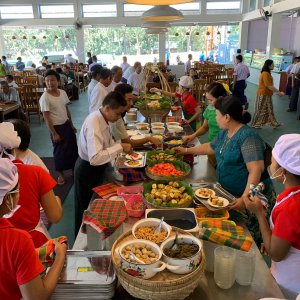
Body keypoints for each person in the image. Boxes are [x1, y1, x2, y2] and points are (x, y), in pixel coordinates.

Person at [174, 95, 276, 246]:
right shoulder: (226, 132)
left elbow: (256, 169)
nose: (215, 117)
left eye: (217, 114)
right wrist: (186, 150)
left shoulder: (248, 136)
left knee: (249, 239)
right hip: (230, 194)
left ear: (227, 117)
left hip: (250, 198)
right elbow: (210, 147)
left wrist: (244, 197)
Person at [0, 158, 66, 300]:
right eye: (17, 190)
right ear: (7, 199)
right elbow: (37, 297)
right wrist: (59, 257)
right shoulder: (18, 241)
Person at [244, 134, 300, 299]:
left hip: (290, 283)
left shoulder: (291, 207)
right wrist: (271, 238)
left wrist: (260, 214)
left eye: (274, 162)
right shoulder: (292, 196)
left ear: (282, 172)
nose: (270, 164)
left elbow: (276, 253)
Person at [74, 91, 132, 233]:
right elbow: (95, 158)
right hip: (87, 169)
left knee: (96, 205)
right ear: (107, 108)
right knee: (85, 209)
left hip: (97, 168)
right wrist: (120, 147)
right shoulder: (95, 124)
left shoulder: (104, 119)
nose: (119, 117)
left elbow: (108, 144)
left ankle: (95, 232)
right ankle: (81, 243)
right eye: (118, 114)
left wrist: (119, 149)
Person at [0, 122, 63, 247]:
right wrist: (57, 201)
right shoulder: (35, 173)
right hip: (33, 244)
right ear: (14, 147)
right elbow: (55, 216)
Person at [39, 70, 78, 185]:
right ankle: (60, 175)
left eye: (52, 80)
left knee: (72, 149)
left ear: (58, 81)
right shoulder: (45, 97)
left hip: (66, 125)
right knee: (59, 152)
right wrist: (54, 133)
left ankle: (73, 170)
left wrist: (71, 125)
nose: (50, 83)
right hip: (56, 128)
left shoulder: (62, 93)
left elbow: (66, 110)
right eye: (47, 81)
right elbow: (46, 117)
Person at [183, 82, 228, 166]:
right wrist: (193, 135)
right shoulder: (210, 109)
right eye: (208, 100)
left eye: (211, 100)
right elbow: (204, 127)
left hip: (225, 148)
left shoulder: (227, 111)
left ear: (220, 98)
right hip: (210, 145)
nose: (209, 103)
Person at [251, 59, 284, 129]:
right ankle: (254, 124)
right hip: (263, 94)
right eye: (272, 64)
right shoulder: (265, 73)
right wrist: (278, 92)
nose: (273, 65)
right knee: (259, 109)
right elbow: (269, 86)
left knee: (269, 109)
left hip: (266, 94)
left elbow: (269, 86)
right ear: (269, 65)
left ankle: (273, 123)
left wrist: (277, 92)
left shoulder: (266, 73)